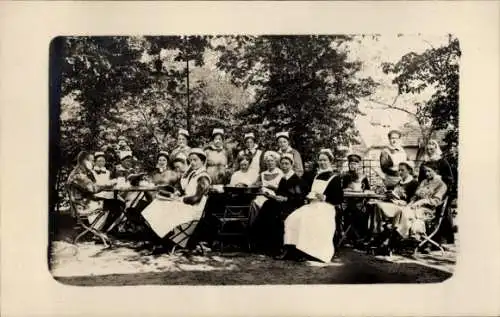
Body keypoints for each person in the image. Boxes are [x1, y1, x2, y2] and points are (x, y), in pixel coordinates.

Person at [141, 148, 212, 254]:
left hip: (193, 211)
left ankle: (159, 240)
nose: (192, 162)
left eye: (195, 160)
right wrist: (177, 195)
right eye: (191, 160)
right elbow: (185, 189)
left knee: (162, 208)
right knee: (158, 203)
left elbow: (195, 199)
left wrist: (181, 199)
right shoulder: (194, 174)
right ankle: (157, 239)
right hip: (187, 207)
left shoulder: (203, 178)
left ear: (202, 161)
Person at [279, 149, 343, 263]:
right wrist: (307, 196)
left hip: (326, 207)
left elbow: (338, 198)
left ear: (330, 161)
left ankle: (307, 251)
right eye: (320, 160)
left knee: (307, 219)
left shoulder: (335, 178)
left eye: (325, 160)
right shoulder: (314, 176)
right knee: (292, 218)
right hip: (312, 205)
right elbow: (306, 190)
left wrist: (324, 197)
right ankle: (292, 249)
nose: (322, 162)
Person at [251, 153, 306, 255]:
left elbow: (299, 198)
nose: (284, 166)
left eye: (287, 164)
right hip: (281, 203)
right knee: (267, 205)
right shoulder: (283, 178)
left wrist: (286, 198)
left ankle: (274, 247)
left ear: (291, 165)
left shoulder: (296, 179)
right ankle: (262, 243)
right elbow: (280, 192)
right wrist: (275, 196)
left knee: (272, 211)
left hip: (292, 205)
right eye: (282, 164)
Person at [392, 161, 448, 243]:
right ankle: (396, 237)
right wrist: (409, 204)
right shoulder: (424, 182)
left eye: (429, 171)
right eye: (425, 171)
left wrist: (422, 201)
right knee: (400, 211)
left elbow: (436, 201)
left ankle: (396, 239)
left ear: (436, 171)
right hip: (416, 208)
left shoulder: (441, 185)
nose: (427, 173)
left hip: (428, 211)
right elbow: (415, 196)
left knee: (405, 213)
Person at [67, 151, 116, 232]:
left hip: (85, 202)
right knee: (116, 205)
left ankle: (101, 230)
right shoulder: (78, 175)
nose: (93, 163)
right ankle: (98, 231)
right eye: (92, 161)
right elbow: (93, 189)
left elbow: (91, 188)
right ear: (85, 161)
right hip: (83, 206)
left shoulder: (81, 172)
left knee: (116, 204)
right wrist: (109, 184)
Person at [370, 161, 419, 236]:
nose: (400, 172)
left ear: (409, 170)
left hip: (403, 207)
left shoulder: (414, 183)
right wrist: (389, 194)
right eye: (399, 170)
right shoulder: (400, 181)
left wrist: (400, 200)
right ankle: (376, 231)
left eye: (402, 170)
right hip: (394, 203)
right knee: (374, 204)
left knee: (379, 206)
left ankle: (379, 232)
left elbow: (412, 199)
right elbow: (394, 192)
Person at [248, 151, 284, 227]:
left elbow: (282, 189)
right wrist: (257, 185)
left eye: (272, 161)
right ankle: (254, 227)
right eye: (268, 161)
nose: (270, 163)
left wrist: (271, 187)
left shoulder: (280, 173)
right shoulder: (263, 173)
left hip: (274, 197)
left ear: (276, 162)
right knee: (254, 203)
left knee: (266, 205)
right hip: (262, 195)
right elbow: (254, 185)